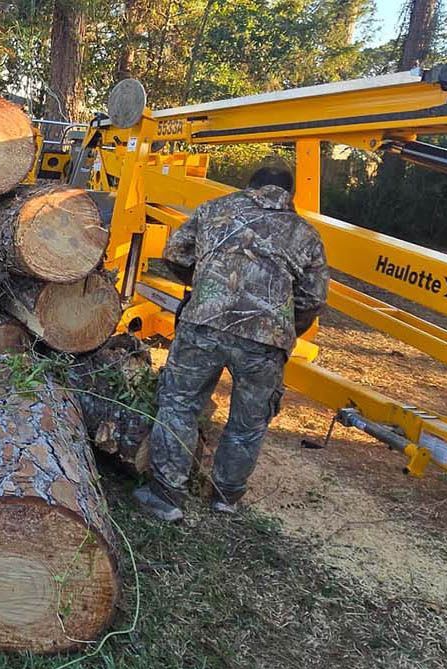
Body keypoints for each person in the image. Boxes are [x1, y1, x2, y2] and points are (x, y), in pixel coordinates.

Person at [134, 164, 329, 522]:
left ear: (249, 186)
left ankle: (165, 496)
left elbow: (175, 254)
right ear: (290, 195)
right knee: (248, 423)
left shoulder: (213, 210)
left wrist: (208, 284)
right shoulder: (306, 233)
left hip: (202, 326)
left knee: (179, 405)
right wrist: (284, 327)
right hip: (265, 342)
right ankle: (225, 497)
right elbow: (313, 299)